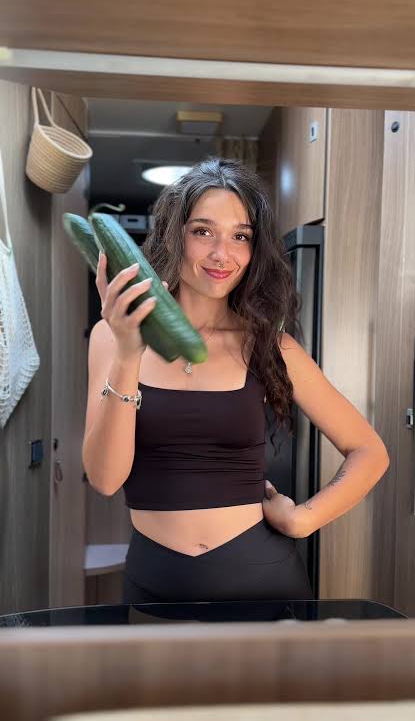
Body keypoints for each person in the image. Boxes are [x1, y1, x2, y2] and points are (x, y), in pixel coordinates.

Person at [82, 157, 389, 604]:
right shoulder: (111, 336)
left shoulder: (270, 346)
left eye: (240, 236)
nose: (222, 254)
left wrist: (303, 519)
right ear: (172, 235)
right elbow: (105, 479)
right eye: (202, 231)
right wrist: (130, 353)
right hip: (154, 583)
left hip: (262, 579)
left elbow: (370, 451)